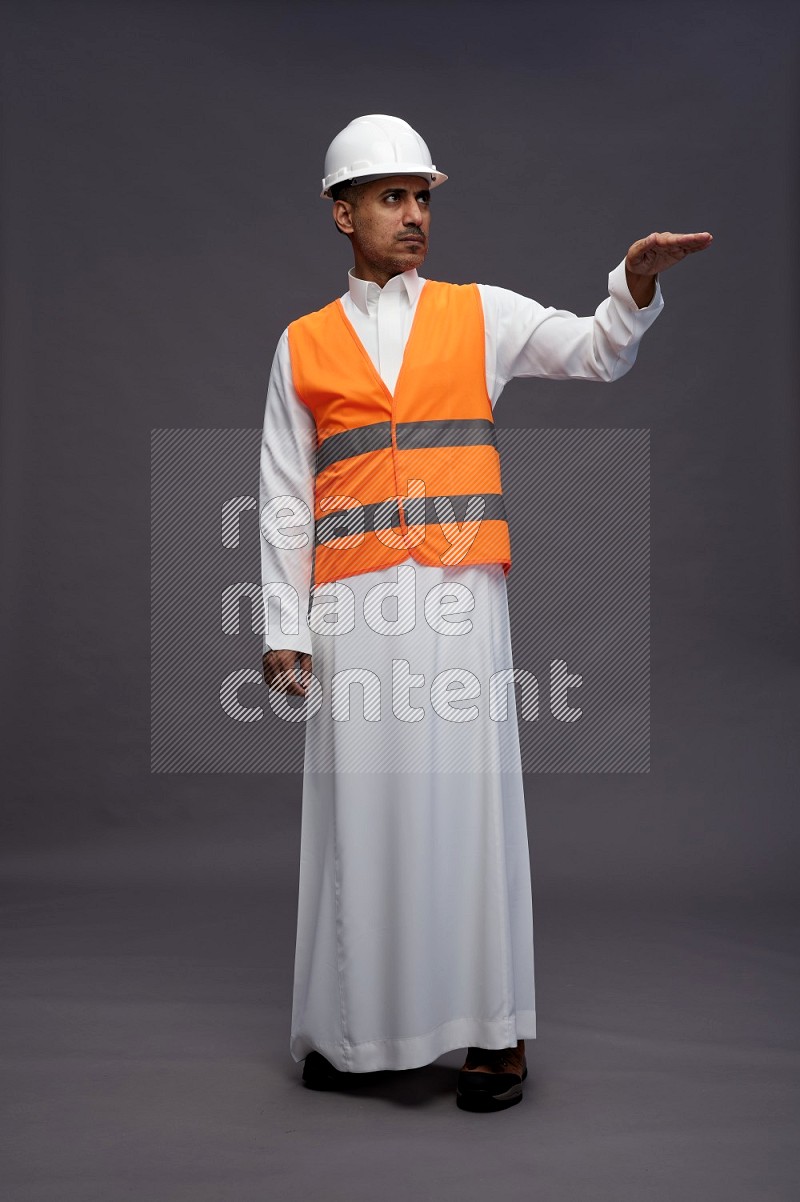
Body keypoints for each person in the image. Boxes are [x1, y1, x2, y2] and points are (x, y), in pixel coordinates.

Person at [258, 114, 712, 1112]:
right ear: (342, 212)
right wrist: (282, 628)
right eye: (391, 196)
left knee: (466, 811)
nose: (414, 214)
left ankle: (493, 1035)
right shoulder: (300, 347)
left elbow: (593, 352)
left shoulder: (478, 313)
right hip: (351, 609)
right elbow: (286, 492)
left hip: (460, 600)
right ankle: (354, 1032)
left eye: (422, 196)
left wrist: (631, 283)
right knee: (358, 818)